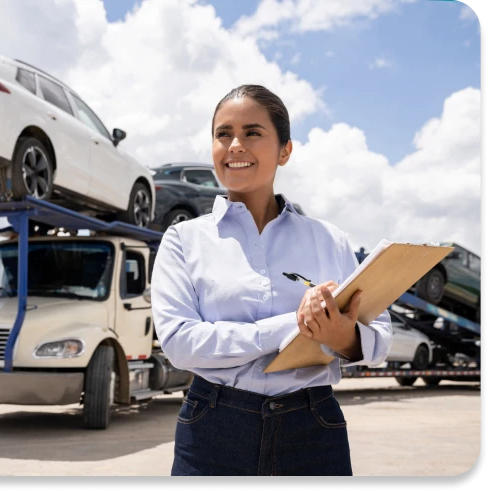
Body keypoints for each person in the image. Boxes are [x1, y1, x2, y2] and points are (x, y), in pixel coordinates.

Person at [150, 84, 392, 476]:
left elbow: (380, 339)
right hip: (212, 429)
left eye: (252, 133)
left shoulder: (330, 240)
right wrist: (290, 327)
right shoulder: (183, 240)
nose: (235, 146)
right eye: (223, 134)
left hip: (313, 429)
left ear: (285, 151)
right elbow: (180, 344)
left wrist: (339, 335)